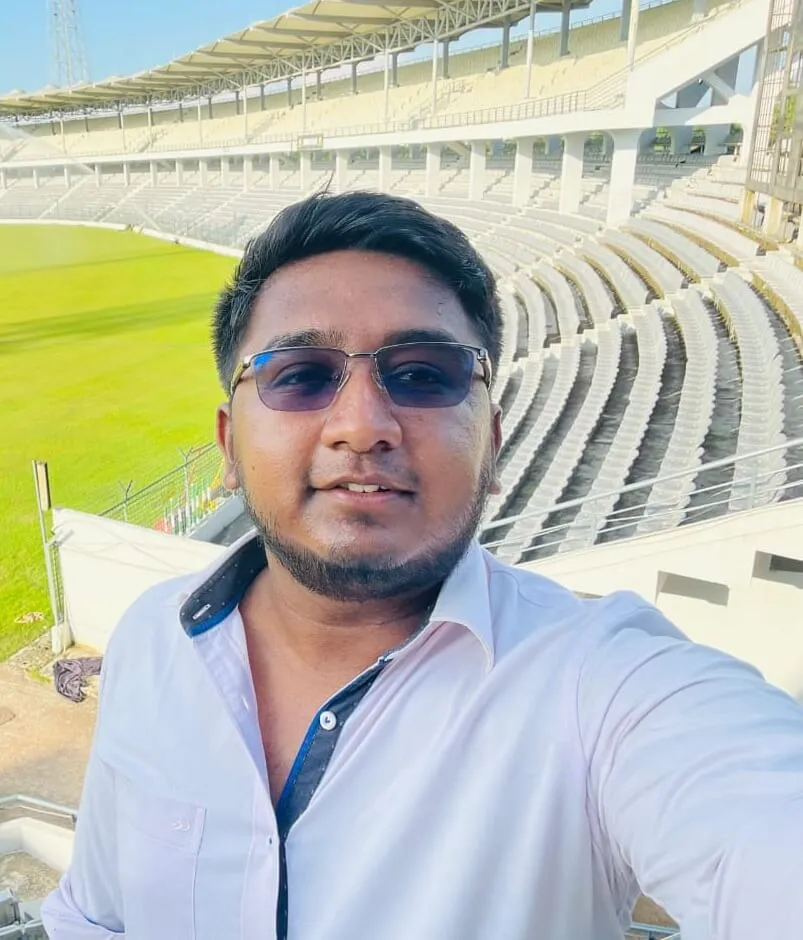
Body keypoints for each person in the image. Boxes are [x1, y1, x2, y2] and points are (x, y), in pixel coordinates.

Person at [42, 191, 803, 940]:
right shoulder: (152, 638)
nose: (361, 426)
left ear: (492, 442)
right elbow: (95, 916)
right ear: (228, 446)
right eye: (300, 375)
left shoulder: (602, 685)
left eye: (424, 374)